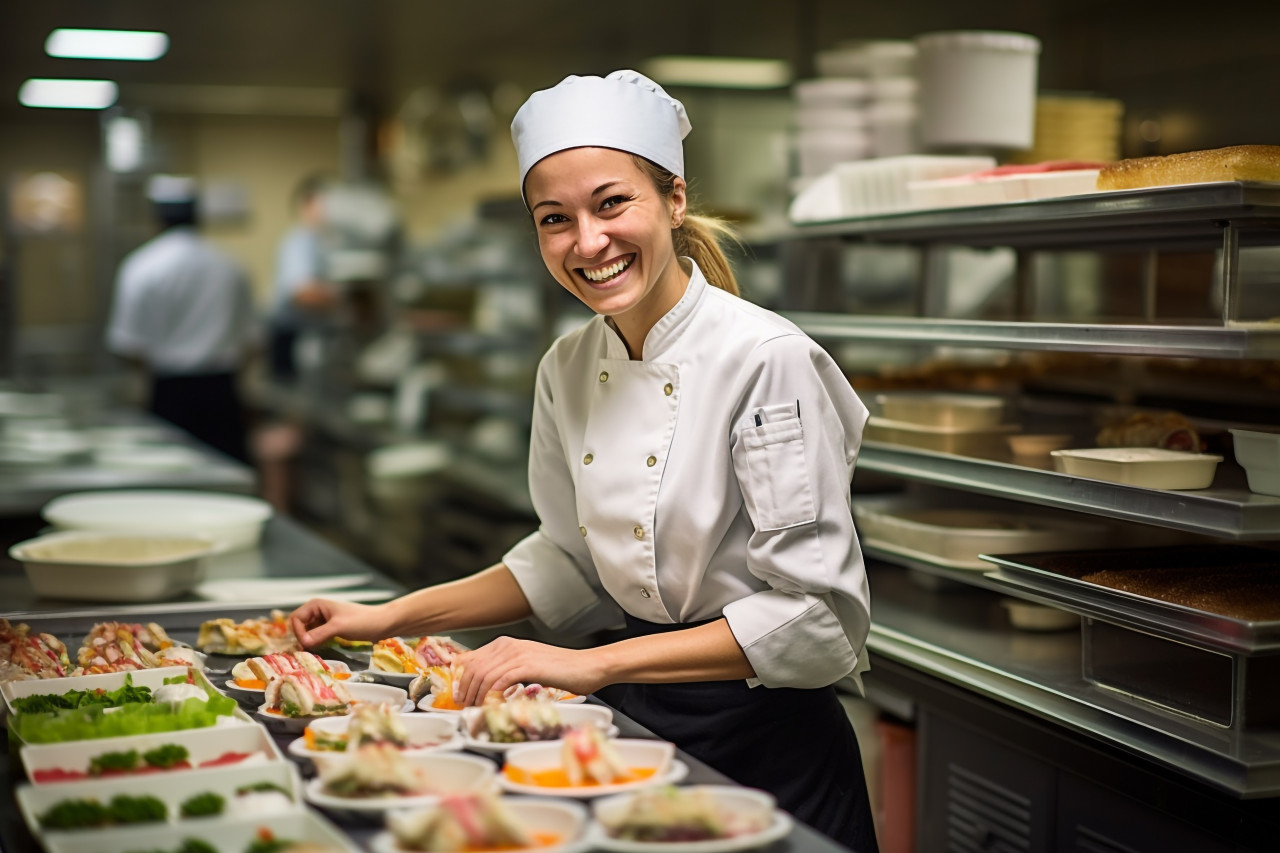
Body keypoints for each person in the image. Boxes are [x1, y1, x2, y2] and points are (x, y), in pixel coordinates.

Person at [290, 70, 878, 851]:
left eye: (611, 203)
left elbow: (815, 618)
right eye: (554, 219)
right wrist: (388, 615)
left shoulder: (765, 359)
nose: (587, 242)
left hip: (770, 744)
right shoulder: (565, 366)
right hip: (634, 728)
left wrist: (594, 665)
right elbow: (570, 559)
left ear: (673, 199)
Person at [106, 175, 256, 463]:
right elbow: (252, 341)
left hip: (169, 392)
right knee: (227, 480)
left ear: (157, 218)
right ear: (198, 217)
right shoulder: (231, 265)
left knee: (172, 483)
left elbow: (128, 345)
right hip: (221, 392)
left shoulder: (141, 267)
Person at [266, 173, 336, 382]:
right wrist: (346, 302)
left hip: (308, 337)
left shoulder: (322, 243)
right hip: (292, 337)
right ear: (308, 204)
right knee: (297, 404)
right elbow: (302, 293)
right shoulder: (299, 242)